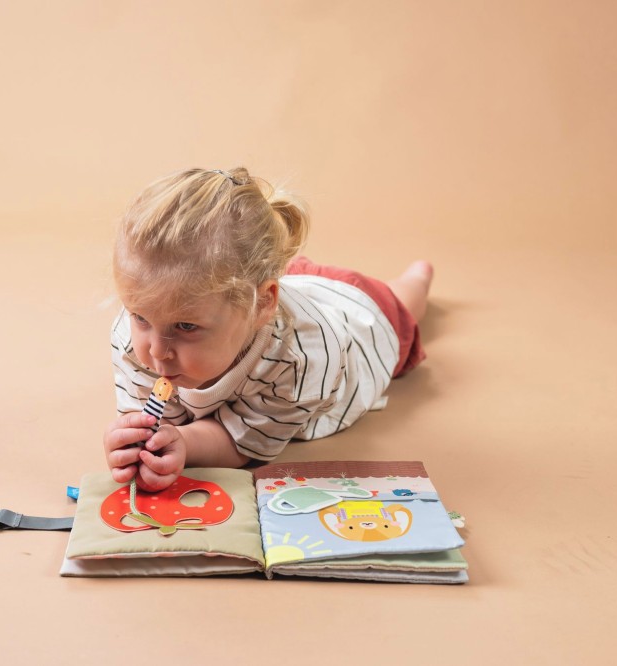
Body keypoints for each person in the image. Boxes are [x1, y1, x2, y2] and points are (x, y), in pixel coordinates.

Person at [102, 167, 433, 492]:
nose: (157, 350)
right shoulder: (138, 334)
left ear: (261, 305)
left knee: (402, 304)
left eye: (186, 326)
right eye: (140, 317)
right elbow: (155, 418)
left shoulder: (301, 358)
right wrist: (133, 440)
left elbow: (241, 440)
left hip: (358, 313)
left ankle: (418, 277)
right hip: (282, 284)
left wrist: (186, 443)